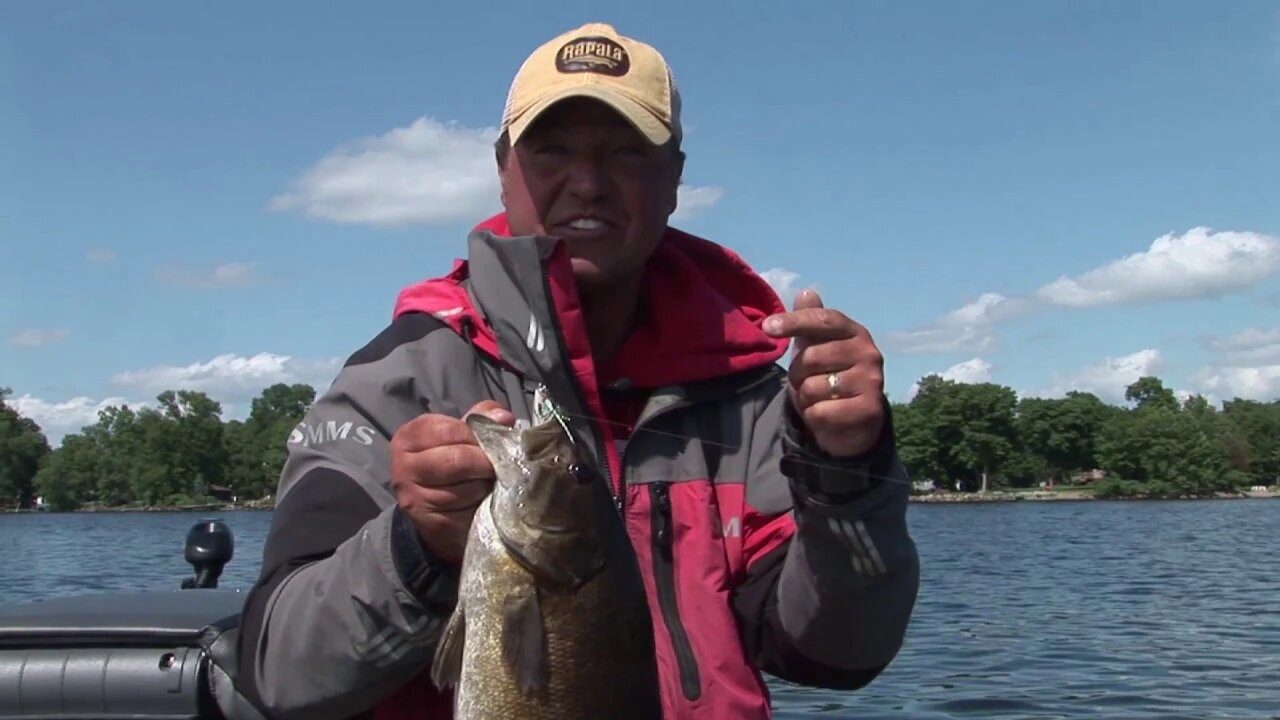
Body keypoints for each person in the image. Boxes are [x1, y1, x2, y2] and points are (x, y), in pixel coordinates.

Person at [235, 21, 919, 720]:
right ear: (505, 170)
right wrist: (416, 547)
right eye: (553, 150)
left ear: (674, 178)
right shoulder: (396, 383)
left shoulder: (755, 395)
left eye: (626, 153)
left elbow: (840, 653)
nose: (588, 183)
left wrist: (847, 475)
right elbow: (280, 675)